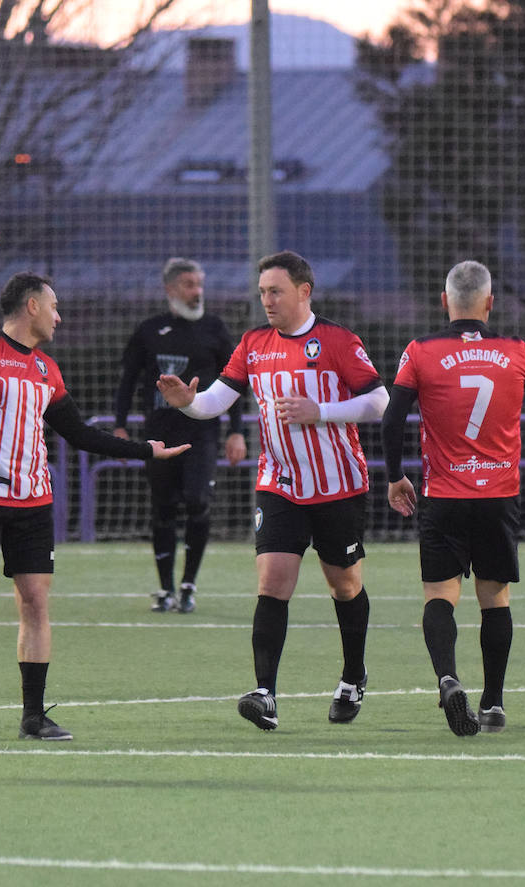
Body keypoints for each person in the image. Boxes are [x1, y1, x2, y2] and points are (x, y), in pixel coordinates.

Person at [0, 272, 189, 742]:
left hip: (34, 504)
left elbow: (80, 433)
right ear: (31, 307)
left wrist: (146, 449)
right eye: (54, 306)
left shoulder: (47, 370)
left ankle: (33, 716)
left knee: (36, 603)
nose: (59, 315)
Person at [156, 250, 389, 730]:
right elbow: (216, 400)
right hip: (279, 483)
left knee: (344, 585)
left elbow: (380, 402)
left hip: (337, 484)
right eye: (262, 291)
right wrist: (188, 403)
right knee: (272, 583)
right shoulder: (254, 343)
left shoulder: (338, 340)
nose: (267, 300)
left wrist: (320, 411)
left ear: (304, 291)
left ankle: (353, 674)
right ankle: (266, 694)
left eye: (276, 291)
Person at [383, 260, 525, 736]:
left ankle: (448, 677)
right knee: (495, 598)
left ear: (444, 302)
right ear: (490, 303)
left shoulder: (420, 351)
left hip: (443, 495)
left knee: (440, 595)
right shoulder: (514, 352)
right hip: (498, 497)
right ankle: (493, 702)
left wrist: (395, 476)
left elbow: (392, 416)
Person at [112, 258, 246, 614]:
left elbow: (233, 383)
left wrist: (236, 431)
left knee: (198, 500)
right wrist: (121, 425)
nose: (196, 291)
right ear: (170, 289)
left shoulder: (215, 329)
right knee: (163, 508)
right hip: (158, 435)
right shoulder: (149, 331)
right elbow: (127, 381)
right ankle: (166, 588)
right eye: (188, 284)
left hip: (202, 434)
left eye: (199, 283)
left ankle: (189, 584)